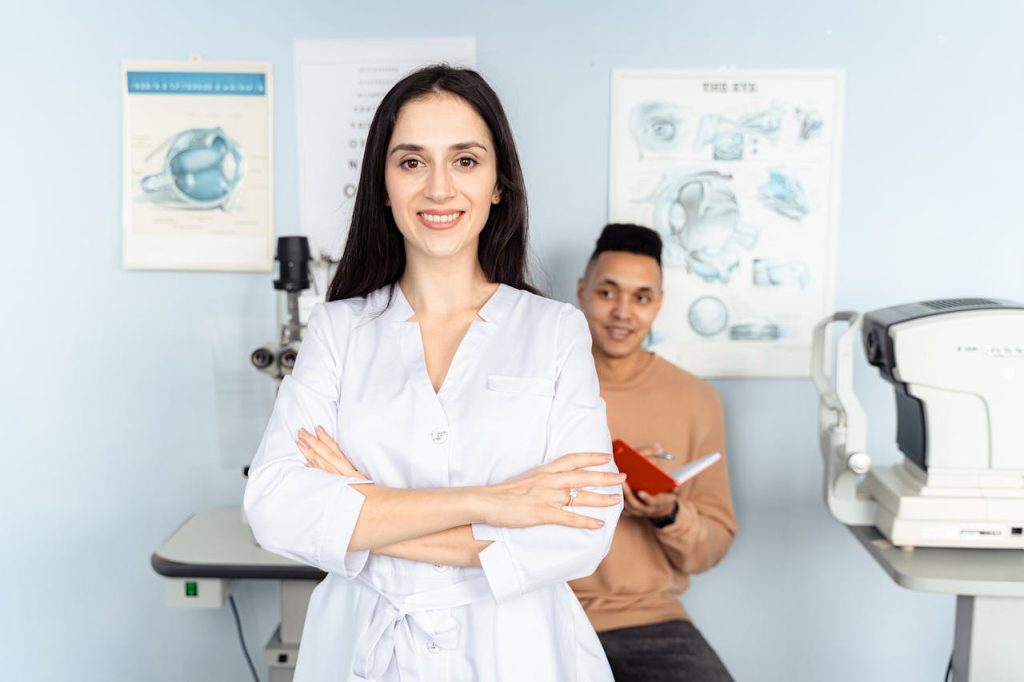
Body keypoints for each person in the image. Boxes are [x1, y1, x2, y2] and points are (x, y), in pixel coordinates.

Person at [243, 65, 624, 682]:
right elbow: (275, 509)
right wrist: (494, 503)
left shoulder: (554, 331)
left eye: (466, 161)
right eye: (412, 162)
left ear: (499, 183)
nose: (439, 188)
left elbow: (583, 531)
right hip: (362, 646)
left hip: (517, 652)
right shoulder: (339, 331)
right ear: (384, 186)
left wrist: (362, 515)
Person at [570, 223, 737, 682]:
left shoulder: (695, 400)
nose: (622, 312)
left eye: (641, 297)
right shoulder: (540, 386)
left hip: (650, 619)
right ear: (582, 291)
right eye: (607, 292)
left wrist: (668, 513)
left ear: (658, 304)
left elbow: (709, 549)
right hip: (545, 607)